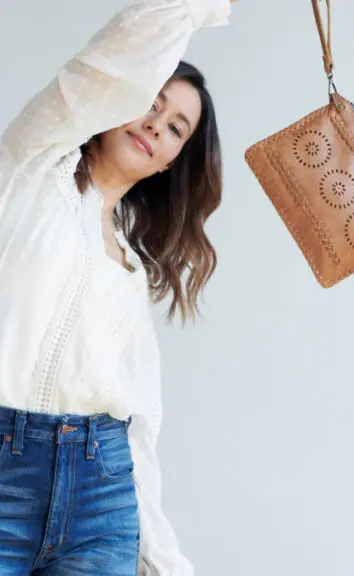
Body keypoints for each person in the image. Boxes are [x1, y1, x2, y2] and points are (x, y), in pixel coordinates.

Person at [0, 0, 235, 574]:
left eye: (176, 127)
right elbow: (111, 58)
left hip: (100, 493)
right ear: (118, 96)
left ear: (171, 162)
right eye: (150, 101)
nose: (157, 124)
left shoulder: (131, 272)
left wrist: (162, 557)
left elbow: (138, 428)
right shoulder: (29, 168)